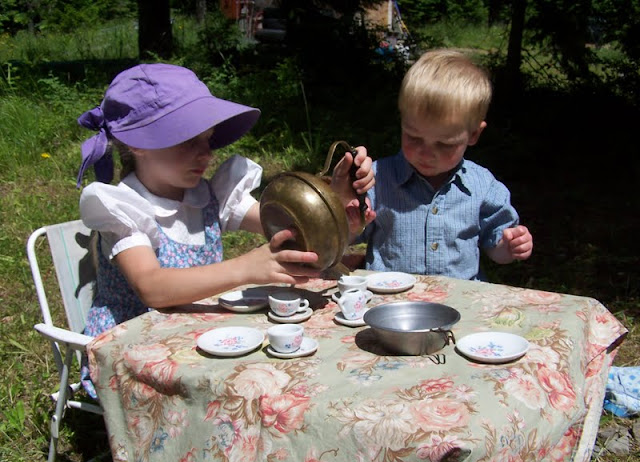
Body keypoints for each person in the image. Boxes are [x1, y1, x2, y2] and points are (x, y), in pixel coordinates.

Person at [76, 63, 375, 394]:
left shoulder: (209, 196)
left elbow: (295, 230)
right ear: (138, 144)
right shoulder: (125, 208)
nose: (206, 153)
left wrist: (335, 201)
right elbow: (152, 288)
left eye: (207, 138)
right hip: (132, 359)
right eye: (188, 140)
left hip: (197, 345)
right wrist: (245, 268)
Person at [359, 49, 532, 280]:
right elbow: (345, 237)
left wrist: (510, 247)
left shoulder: (482, 185)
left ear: (473, 135)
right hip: (393, 297)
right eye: (414, 137)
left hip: (459, 299)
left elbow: (495, 246)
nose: (426, 153)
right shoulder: (378, 179)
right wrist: (350, 215)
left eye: (444, 144)